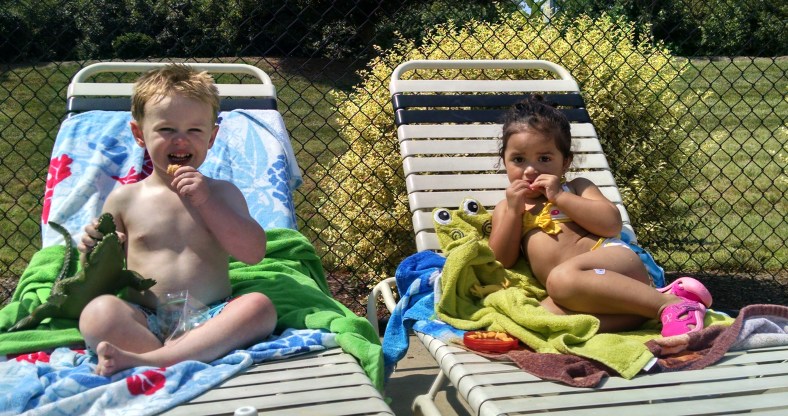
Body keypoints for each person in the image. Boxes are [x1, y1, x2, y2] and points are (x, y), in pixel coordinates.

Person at [77, 64, 276, 376]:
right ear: (139, 134)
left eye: (194, 130)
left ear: (211, 137)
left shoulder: (222, 193)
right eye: (166, 130)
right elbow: (97, 277)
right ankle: (179, 355)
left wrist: (207, 202)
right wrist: (93, 250)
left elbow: (253, 253)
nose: (181, 141)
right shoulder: (125, 199)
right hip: (146, 319)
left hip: (212, 316)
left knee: (259, 307)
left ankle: (152, 361)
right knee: (97, 313)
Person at [487, 96, 711, 336]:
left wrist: (560, 197)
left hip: (615, 264)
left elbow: (611, 224)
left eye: (544, 159)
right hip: (575, 293)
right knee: (539, 317)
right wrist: (513, 212)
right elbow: (501, 260)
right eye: (519, 160)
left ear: (565, 162)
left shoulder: (576, 188)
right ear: (505, 161)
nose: (531, 170)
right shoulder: (507, 207)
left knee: (561, 279)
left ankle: (671, 305)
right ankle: (648, 309)